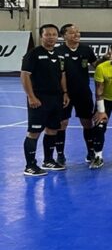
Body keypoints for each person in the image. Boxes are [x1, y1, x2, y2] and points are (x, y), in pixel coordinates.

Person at [21, 24, 69, 176]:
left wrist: (65, 93)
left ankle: (48, 160)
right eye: (47, 34)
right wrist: (31, 96)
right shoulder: (33, 54)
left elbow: (62, 75)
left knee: (52, 129)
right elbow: (25, 75)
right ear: (41, 36)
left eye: (54, 34)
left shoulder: (59, 55)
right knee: (34, 131)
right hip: (39, 98)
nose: (51, 37)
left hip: (56, 99)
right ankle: (30, 165)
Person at [56, 24, 98, 164]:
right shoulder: (58, 51)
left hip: (83, 93)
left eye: (78, 32)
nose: (76, 35)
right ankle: (60, 155)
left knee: (87, 122)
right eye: (72, 33)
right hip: (64, 94)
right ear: (64, 36)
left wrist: (107, 59)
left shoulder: (86, 50)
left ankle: (91, 152)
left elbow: (97, 65)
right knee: (62, 123)